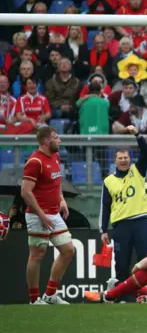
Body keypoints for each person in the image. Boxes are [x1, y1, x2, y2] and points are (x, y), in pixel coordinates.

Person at [21, 126, 74, 305]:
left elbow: (56, 182)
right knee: (37, 254)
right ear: (46, 141)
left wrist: (61, 200)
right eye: (56, 138)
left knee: (68, 250)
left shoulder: (56, 157)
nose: (60, 141)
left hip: (54, 213)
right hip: (38, 216)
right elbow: (25, 192)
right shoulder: (35, 161)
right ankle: (34, 299)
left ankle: (50, 295)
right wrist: (41, 214)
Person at [100, 125, 147, 294]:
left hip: (140, 223)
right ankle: (121, 295)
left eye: (126, 157)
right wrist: (103, 229)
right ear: (114, 161)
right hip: (120, 226)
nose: (123, 160)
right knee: (122, 262)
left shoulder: (137, 171)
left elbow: (146, 152)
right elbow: (105, 206)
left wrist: (137, 134)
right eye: (120, 158)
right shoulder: (108, 181)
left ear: (130, 159)